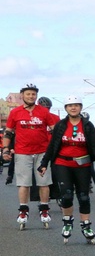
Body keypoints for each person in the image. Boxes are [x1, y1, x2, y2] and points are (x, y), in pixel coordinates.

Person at [38, 96, 95, 244]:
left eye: (76, 105)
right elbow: (52, 146)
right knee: (67, 195)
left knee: (83, 196)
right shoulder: (61, 125)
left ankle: (86, 226)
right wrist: (44, 163)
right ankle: (67, 223)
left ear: (81, 107)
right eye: (70, 105)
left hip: (83, 165)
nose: (73, 108)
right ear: (66, 108)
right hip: (62, 164)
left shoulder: (87, 125)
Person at [2, 84, 58, 229]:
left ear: (36, 96)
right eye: (28, 94)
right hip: (22, 152)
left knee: (43, 182)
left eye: (33, 94)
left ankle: (44, 210)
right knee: (23, 183)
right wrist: (6, 149)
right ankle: (23, 211)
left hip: (42, 152)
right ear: (22, 96)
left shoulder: (43, 112)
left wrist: (55, 148)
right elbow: (8, 132)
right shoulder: (15, 112)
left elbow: (54, 131)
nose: (31, 96)